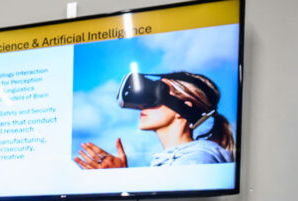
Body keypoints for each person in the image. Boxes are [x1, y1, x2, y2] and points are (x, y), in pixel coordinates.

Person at [74, 71, 235, 169]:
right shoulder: (174, 161)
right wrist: (120, 178)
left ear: (184, 108)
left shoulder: (197, 161)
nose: (142, 105)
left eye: (154, 96)